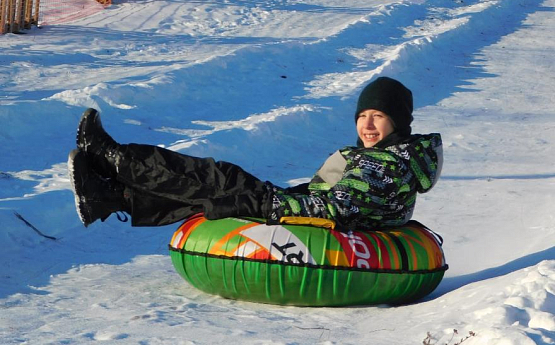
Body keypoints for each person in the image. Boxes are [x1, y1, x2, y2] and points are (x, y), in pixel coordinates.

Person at [68, 76, 442, 232]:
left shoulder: (389, 165)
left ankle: (113, 158)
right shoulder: (390, 157)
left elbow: (338, 208)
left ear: (398, 123)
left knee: (218, 183)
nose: (368, 125)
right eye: (362, 116)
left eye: (378, 116)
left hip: (313, 223)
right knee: (216, 186)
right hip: (302, 209)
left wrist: (267, 206)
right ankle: (108, 197)